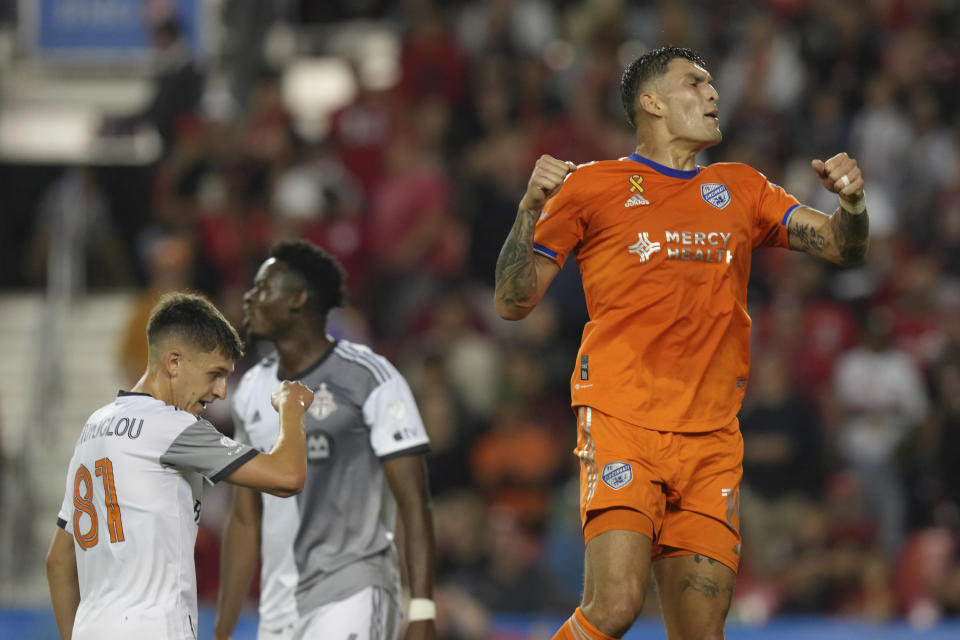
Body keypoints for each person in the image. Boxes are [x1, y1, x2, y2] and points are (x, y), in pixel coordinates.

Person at [493, 46, 870, 640]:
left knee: (701, 632)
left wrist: (850, 203)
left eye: (713, 82)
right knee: (614, 608)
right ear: (652, 102)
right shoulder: (592, 187)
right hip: (623, 416)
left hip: (712, 438)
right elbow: (513, 302)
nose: (714, 92)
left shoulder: (743, 189)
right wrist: (527, 210)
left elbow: (842, 247)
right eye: (695, 82)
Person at [45, 292, 314, 639]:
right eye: (215, 373)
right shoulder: (170, 426)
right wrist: (292, 410)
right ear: (174, 362)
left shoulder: (94, 427)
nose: (220, 391)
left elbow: (58, 561)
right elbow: (288, 476)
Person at [214, 240, 436, 640]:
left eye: (263, 288)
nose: (249, 297)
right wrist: (223, 629)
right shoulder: (249, 389)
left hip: (354, 590)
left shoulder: (370, 377)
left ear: (297, 298)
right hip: (278, 608)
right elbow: (245, 518)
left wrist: (421, 607)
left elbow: (414, 500)